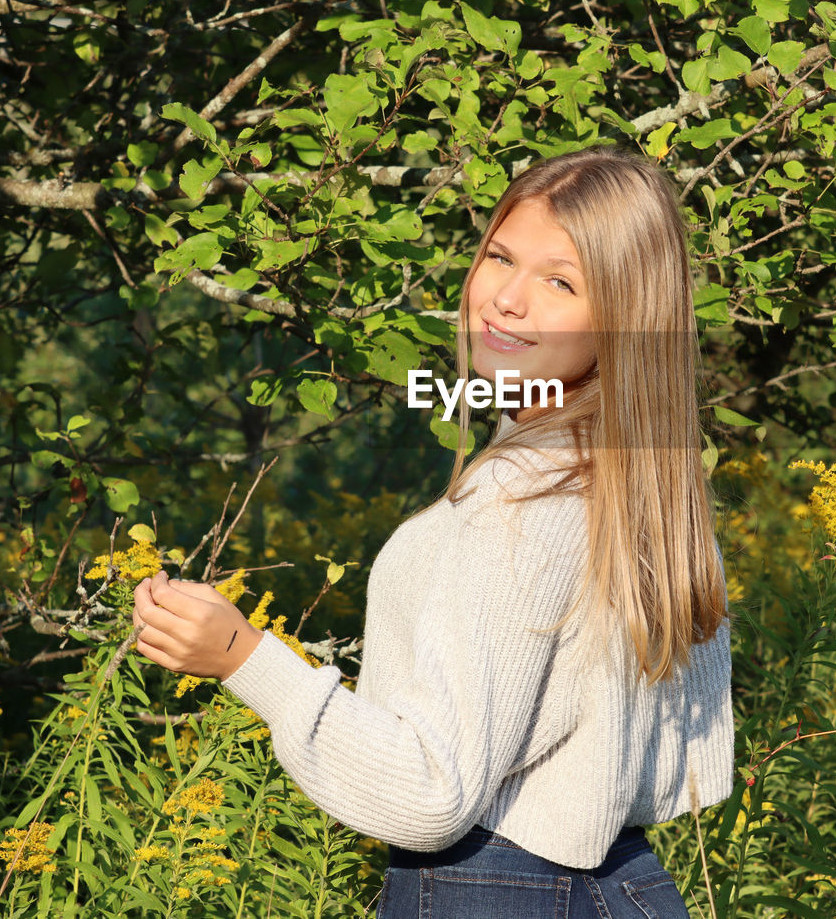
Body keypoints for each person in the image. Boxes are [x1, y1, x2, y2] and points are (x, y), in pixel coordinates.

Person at [131, 145, 735, 917]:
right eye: (501, 256)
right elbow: (679, 762)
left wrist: (245, 658)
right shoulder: (640, 483)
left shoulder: (523, 497)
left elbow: (429, 793)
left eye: (561, 281)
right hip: (625, 886)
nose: (507, 299)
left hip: (488, 886)